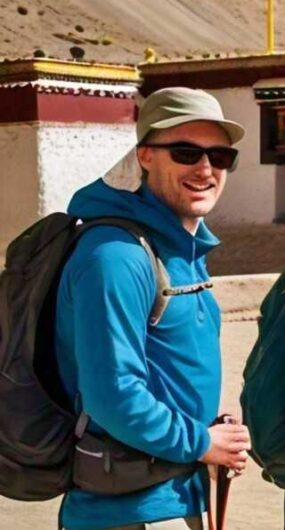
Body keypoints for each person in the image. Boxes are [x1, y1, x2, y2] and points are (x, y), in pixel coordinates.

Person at [54, 87, 251, 529]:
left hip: (180, 499)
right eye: (185, 153)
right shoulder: (116, 257)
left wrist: (213, 435)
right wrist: (202, 441)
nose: (205, 169)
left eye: (220, 158)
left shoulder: (180, 251)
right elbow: (113, 395)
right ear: (144, 155)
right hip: (126, 511)